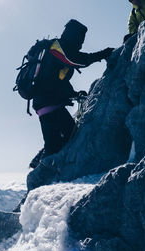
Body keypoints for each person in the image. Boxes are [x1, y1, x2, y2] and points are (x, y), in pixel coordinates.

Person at [29, 19, 114, 168]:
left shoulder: (57, 49)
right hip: (50, 105)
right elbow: (75, 60)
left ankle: (40, 164)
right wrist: (103, 54)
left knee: (57, 142)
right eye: (81, 38)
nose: (81, 43)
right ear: (74, 36)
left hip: (46, 104)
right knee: (70, 139)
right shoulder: (57, 48)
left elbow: (56, 80)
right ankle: (42, 171)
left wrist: (74, 93)